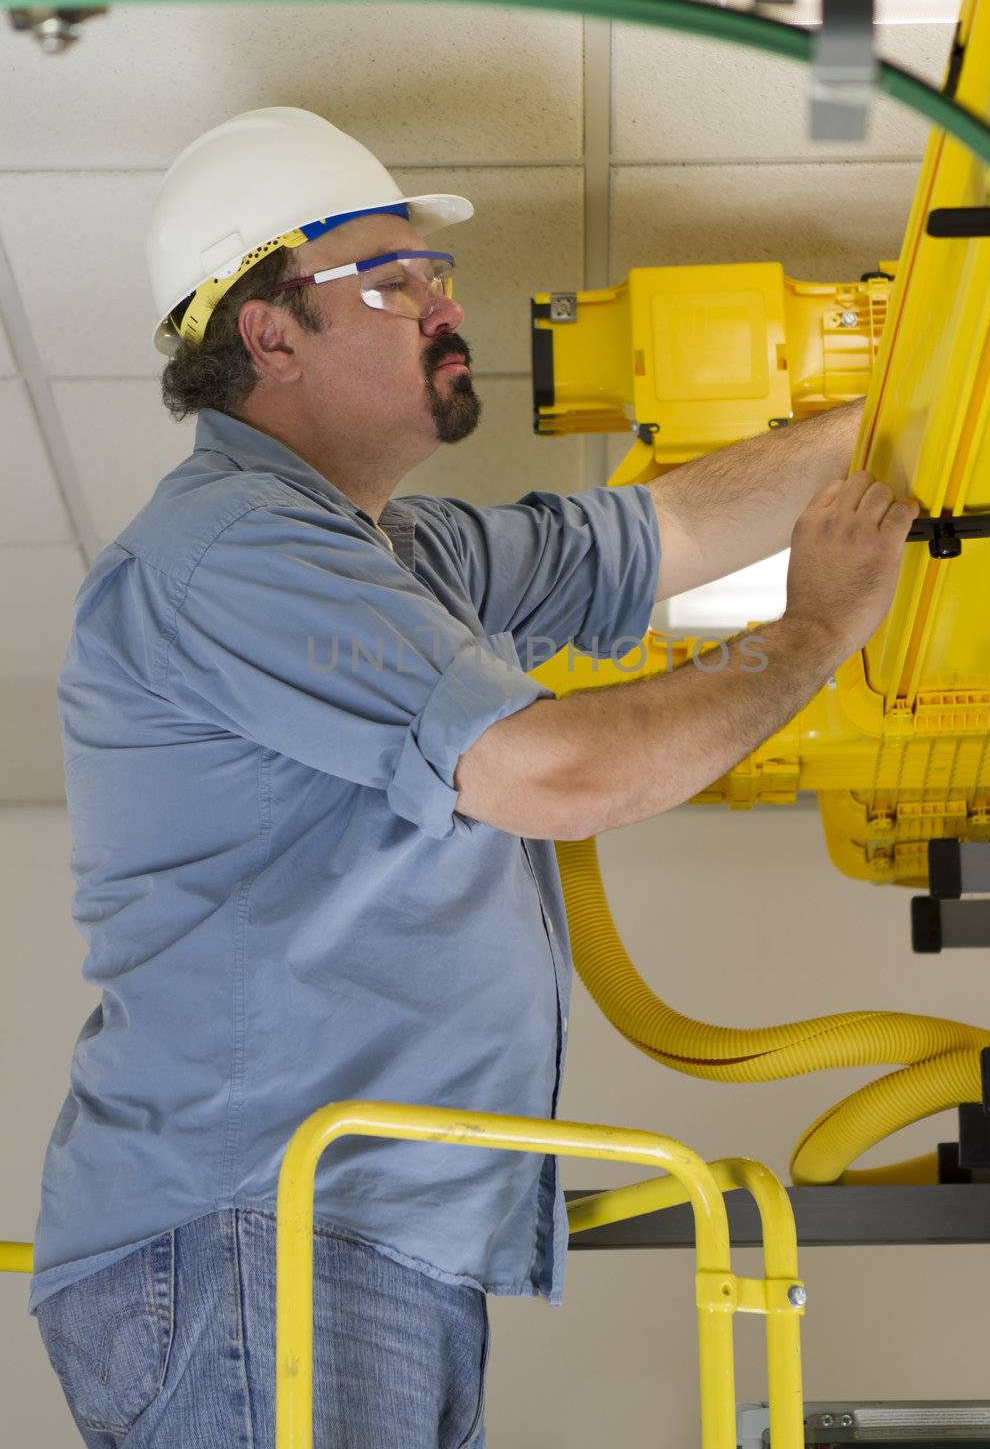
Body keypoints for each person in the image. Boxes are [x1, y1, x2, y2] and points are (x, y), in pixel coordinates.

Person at [29, 105, 919, 1448]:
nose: (445, 306)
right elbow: (552, 776)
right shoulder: (229, 552)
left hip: (356, 1233)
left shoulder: (409, 557)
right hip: (257, 1231)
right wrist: (813, 630)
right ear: (267, 334)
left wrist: (922, 414)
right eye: (394, 281)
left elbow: (668, 529)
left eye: (438, 275)